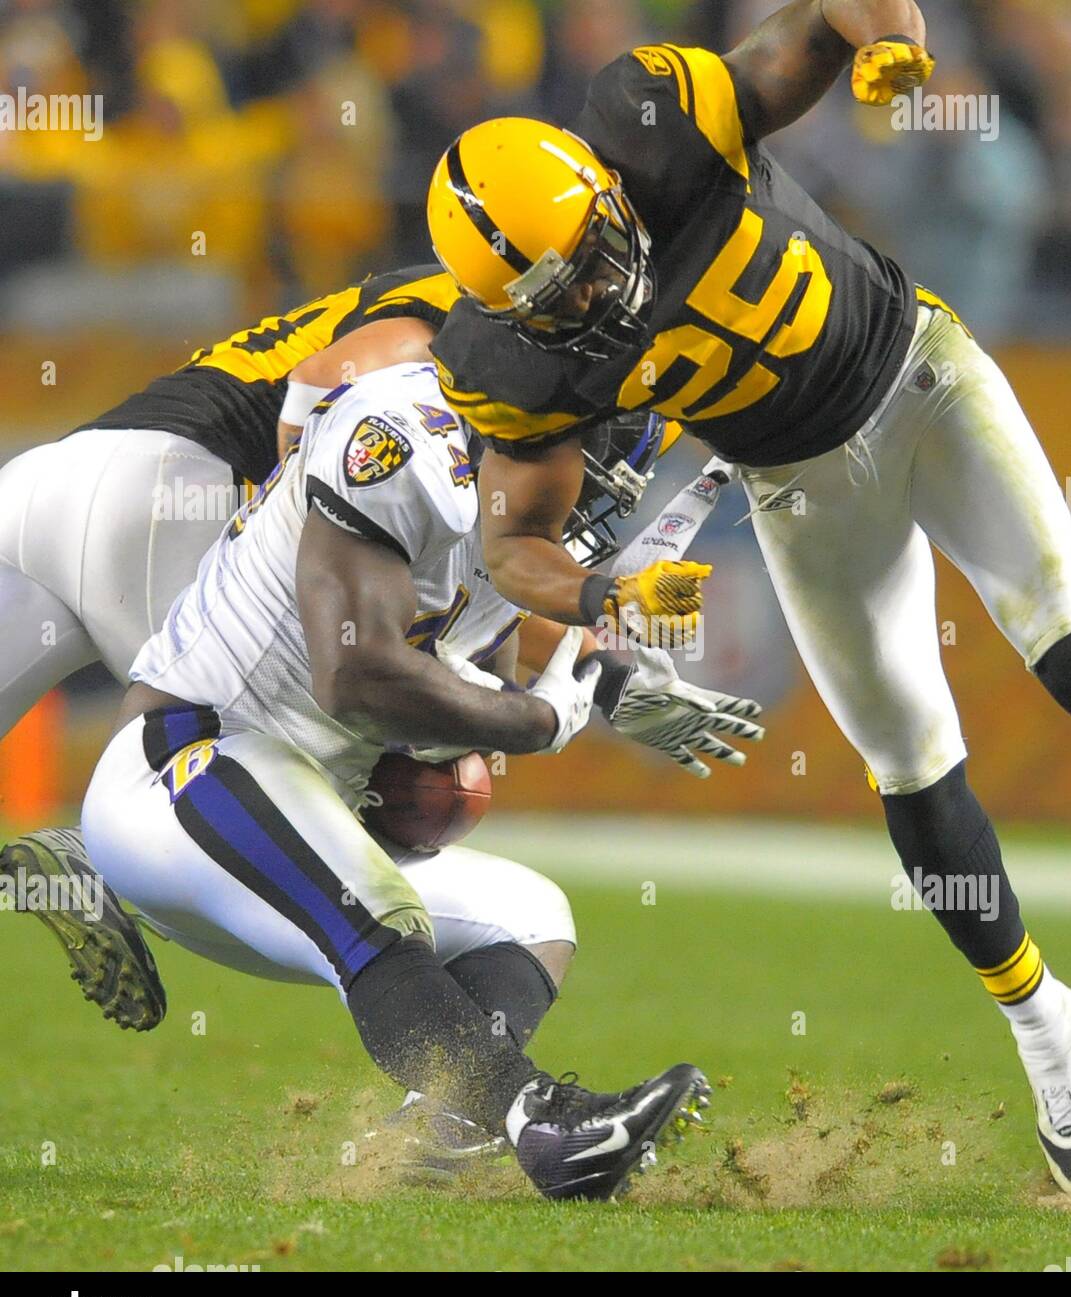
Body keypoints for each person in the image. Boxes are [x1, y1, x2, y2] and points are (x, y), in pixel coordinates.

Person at [419, 0, 1071, 1197]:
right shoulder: (507, 365)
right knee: (911, 769)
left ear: (596, 185)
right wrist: (603, 590)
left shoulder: (655, 119)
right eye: (552, 294)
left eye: (585, 257)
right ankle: (1045, 1023)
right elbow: (513, 539)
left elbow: (829, 20)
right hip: (797, 483)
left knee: (1067, 637)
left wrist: (896, 38)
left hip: (917, 375)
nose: (587, 295)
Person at [0, 268, 760, 1030]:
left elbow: (446, 597)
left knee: (287, 762)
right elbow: (319, 415)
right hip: (180, 495)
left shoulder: (485, 338)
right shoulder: (443, 355)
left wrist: (608, 676)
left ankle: (96, 859)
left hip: (55, 485)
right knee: (277, 781)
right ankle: (102, 859)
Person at [78, 358, 710, 1201]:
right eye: (585, 467)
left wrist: (606, 677)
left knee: (530, 917)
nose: (581, 499)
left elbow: (451, 640)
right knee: (383, 908)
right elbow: (358, 678)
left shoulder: (494, 498)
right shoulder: (400, 443)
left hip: (290, 829)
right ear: (525, 437)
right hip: (181, 773)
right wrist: (535, 720)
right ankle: (543, 1122)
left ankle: (439, 1127)